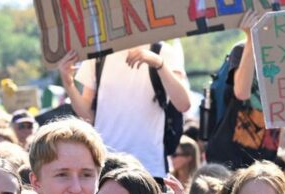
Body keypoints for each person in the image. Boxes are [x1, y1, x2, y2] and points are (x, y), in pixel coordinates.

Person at [58, 41, 191, 179]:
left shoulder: (163, 51)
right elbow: (88, 116)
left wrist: (158, 64)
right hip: (106, 163)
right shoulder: (98, 54)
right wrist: (68, 83)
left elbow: (183, 104)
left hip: (149, 167)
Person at [205, 11, 280, 169]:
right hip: (231, 156)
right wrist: (252, 40)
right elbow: (242, 92)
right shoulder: (241, 50)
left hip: (266, 155)